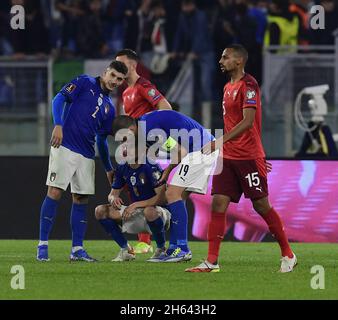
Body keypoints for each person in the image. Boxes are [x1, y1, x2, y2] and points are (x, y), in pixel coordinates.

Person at [185, 44, 297, 273]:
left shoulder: (249, 86)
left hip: (247, 156)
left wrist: (220, 142)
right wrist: (223, 147)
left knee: (261, 205)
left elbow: (247, 122)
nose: (220, 60)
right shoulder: (227, 87)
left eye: (225, 57)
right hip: (228, 157)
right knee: (218, 202)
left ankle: (288, 254)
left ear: (239, 61)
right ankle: (211, 262)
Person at [36, 60, 128, 262]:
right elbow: (58, 100)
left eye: (119, 79)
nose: (115, 81)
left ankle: (77, 249)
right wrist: (58, 125)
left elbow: (102, 141)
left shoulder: (110, 108)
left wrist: (107, 167)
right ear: (105, 73)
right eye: (113, 76)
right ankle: (42, 246)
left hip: (87, 153)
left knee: (81, 199)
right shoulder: (85, 82)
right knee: (55, 191)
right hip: (65, 145)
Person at [112, 109, 218, 262]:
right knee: (178, 197)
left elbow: (179, 152)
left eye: (123, 139)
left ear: (130, 130)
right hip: (199, 148)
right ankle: (174, 248)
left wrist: (167, 172)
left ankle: (181, 249)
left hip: (201, 149)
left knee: (172, 194)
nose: (124, 144)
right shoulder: (144, 126)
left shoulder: (148, 130)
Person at [115, 48, 172, 253]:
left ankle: (154, 241)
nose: (117, 68)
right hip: (135, 148)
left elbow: (165, 108)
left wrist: (150, 133)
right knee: (136, 189)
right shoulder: (125, 92)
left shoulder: (143, 86)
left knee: (152, 191)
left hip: (149, 146)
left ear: (132, 65)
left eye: (121, 64)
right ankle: (146, 240)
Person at [94, 146, 170, 262]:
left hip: (159, 214)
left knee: (149, 211)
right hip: (137, 214)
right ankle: (126, 250)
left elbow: (162, 199)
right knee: (100, 211)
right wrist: (113, 199)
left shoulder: (151, 167)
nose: (126, 149)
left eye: (131, 147)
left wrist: (135, 205)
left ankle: (161, 249)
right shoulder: (122, 168)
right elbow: (112, 194)